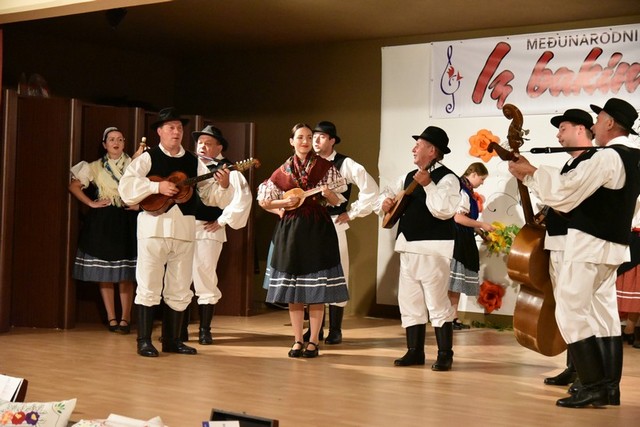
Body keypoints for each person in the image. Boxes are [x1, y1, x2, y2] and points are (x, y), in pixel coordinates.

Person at [508, 98, 640, 408]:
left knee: (569, 311)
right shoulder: (634, 157)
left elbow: (565, 193)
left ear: (610, 123)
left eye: (599, 119)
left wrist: (530, 173)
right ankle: (609, 387)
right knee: (604, 315)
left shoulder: (608, 157)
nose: (594, 125)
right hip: (612, 247)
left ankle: (592, 386)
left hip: (589, 244)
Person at [118, 107, 233, 357]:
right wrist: (156, 187)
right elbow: (126, 188)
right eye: (171, 127)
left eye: (180, 128)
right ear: (159, 131)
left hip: (184, 230)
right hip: (153, 228)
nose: (176, 131)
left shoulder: (193, 161)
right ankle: (144, 341)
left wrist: (223, 185)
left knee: (180, 286)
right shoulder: (147, 158)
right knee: (149, 284)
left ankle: (172, 340)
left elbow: (210, 195)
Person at [257, 123, 349, 358]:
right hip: (291, 231)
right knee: (294, 290)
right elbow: (265, 201)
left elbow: (337, 200)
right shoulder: (283, 170)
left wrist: (328, 194)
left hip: (318, 229)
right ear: (292, 141)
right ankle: (298, 339)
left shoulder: (325, 167)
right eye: (300, 137)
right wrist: (283, 204)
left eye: (309, 137)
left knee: (316, 289)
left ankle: (314, 340)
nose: (305, 141)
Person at [376, 126, 460, 370]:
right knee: (409, 301)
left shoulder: (448, 178)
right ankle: (414, 351)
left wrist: (429, 185)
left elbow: (444, 211)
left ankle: (445, 353)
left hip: (433, 249)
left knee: (437, 302)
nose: (414, 149)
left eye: (419, 145)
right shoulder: (407, 176)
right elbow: (386, 194)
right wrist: (385, 203)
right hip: (408, 246)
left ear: (432, 150)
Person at [532, 109, 594, 389]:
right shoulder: (570, 164)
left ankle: (586, 373)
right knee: (566, 308)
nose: (558, 135)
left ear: (581, 129)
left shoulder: (591, 162)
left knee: (577, 308)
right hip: (558, 242)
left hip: (576, 244)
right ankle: (573, 366)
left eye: (563, 128)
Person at [311, 120, 379, 344]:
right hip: (310, 224)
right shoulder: (307, 162)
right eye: (314, 136)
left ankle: (335, 329)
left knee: (337, 273)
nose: (316, 140)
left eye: (321, 136)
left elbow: (371, 189)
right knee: (312, 275)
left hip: (334, 222)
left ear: (332, 140)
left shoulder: (345, 163)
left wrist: (352, 212)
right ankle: (315, 330)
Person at [69, 127, 141, 334]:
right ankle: (111, 317)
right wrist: (91, 203)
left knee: (126, 273)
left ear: (124, 143)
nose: (115, 143)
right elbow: (74, 186)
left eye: (119, 139)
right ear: (104, 144)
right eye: (111, 139)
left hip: (127, 219)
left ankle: (126, 318)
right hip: (103, 220)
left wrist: (139, 205)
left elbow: (149, 187)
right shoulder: (94, 167)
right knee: (105, 273)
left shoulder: (135, 163)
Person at [186, 125, 252, 345]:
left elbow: (243, 199)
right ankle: (179, 329)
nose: (202, 146)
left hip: (207, 229)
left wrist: (222, 220)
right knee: (180, 278)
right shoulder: (188, 164)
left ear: (219, 147)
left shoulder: (228, 170)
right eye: (200, 142)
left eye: (208, 143)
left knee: (204, 276)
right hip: (182, 227)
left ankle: (205, 330)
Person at [448, 162, 494, 330]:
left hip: (464, 237)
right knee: (453, 282)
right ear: (473, 174)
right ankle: (449, 317)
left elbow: (466, 219)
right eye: (482, 179)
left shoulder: (468, 191)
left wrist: (481, 233)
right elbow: (458, 218)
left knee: (457, 284)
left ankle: (453, 317)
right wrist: (481, 224)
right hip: (458, 239)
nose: (482, 182)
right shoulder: (462, 191)